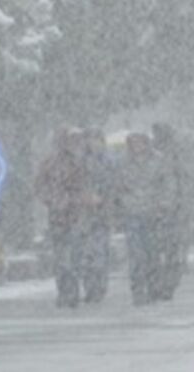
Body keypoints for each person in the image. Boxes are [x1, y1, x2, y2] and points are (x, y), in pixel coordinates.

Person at [118, 133, 172, 306]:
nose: (137, 146)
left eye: (140, 143)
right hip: (132, 213)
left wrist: (164, 202)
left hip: (153, 213)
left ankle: (153, 287)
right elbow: (117, 186)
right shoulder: (123, 163)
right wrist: (124, 202)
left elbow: (168, 183)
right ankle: (137, 290)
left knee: (153, 253)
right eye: (134, 143)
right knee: (135, 254)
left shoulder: (158, 160)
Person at [35, 129, 87, 308]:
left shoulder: (78, 163)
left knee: (72, 256)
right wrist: (52, 200)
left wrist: (74, 200)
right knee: (61, 257)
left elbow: (84, 187)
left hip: (74, 216)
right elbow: (40, 187)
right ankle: (64, 291)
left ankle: (71, 291)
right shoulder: (48, 164)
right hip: (57, 216)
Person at [151, 123, 187, 301]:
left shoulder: (170, 155)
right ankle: (164, 283)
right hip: (162, 209)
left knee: (162, 250)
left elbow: (179, 181)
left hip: (167, 210)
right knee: (164, 250)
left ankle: (164, 283)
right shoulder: (167, 155)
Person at [78, 129, 115, 304]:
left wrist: (103, 199)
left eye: (96, 139)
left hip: (102, 216)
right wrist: (82, 197)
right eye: (90, 140)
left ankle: (99, 287)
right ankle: (89, 288)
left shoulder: (109, 163)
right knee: (85, 257)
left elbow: (115, 186)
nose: (93, 143)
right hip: (82, 216)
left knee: (99, 254)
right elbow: (72, 184)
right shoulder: (79, 162)